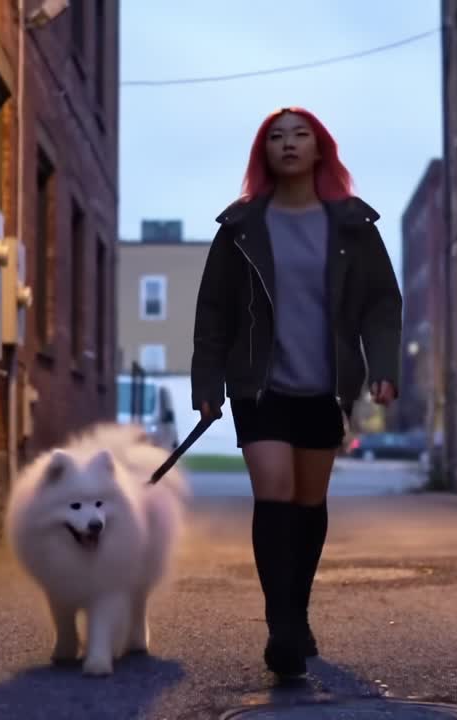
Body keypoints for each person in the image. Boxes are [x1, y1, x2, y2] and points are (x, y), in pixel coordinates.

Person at [190, 107, 402, 680]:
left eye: (299, 135)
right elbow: (213, 313)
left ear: (319, 149)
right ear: (264, 153)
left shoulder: (353, 226)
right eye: (276, 137)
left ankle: (298, 613)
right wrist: (207, 385)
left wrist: (383, 366)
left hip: (325, 387)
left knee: (309, 507)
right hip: (260, 385)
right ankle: (281, 627)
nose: (288, 144)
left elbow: (382, 304)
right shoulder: (239, 228)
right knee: (275, 496)